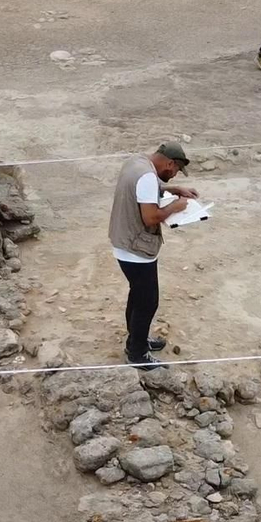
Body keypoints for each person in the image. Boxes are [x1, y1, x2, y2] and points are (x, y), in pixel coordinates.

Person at [109, 143, 197, 369]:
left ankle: (135, 341)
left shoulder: (137, 161)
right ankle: (137, 354)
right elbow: (150, 217)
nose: (174, 174)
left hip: (123, 241)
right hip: (136, 249)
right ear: (170, 163)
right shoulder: (147, 177)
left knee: (138, 296)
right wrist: (176, 206)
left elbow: (145, 188)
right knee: (147, 302)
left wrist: (173, 189)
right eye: (176, 170)